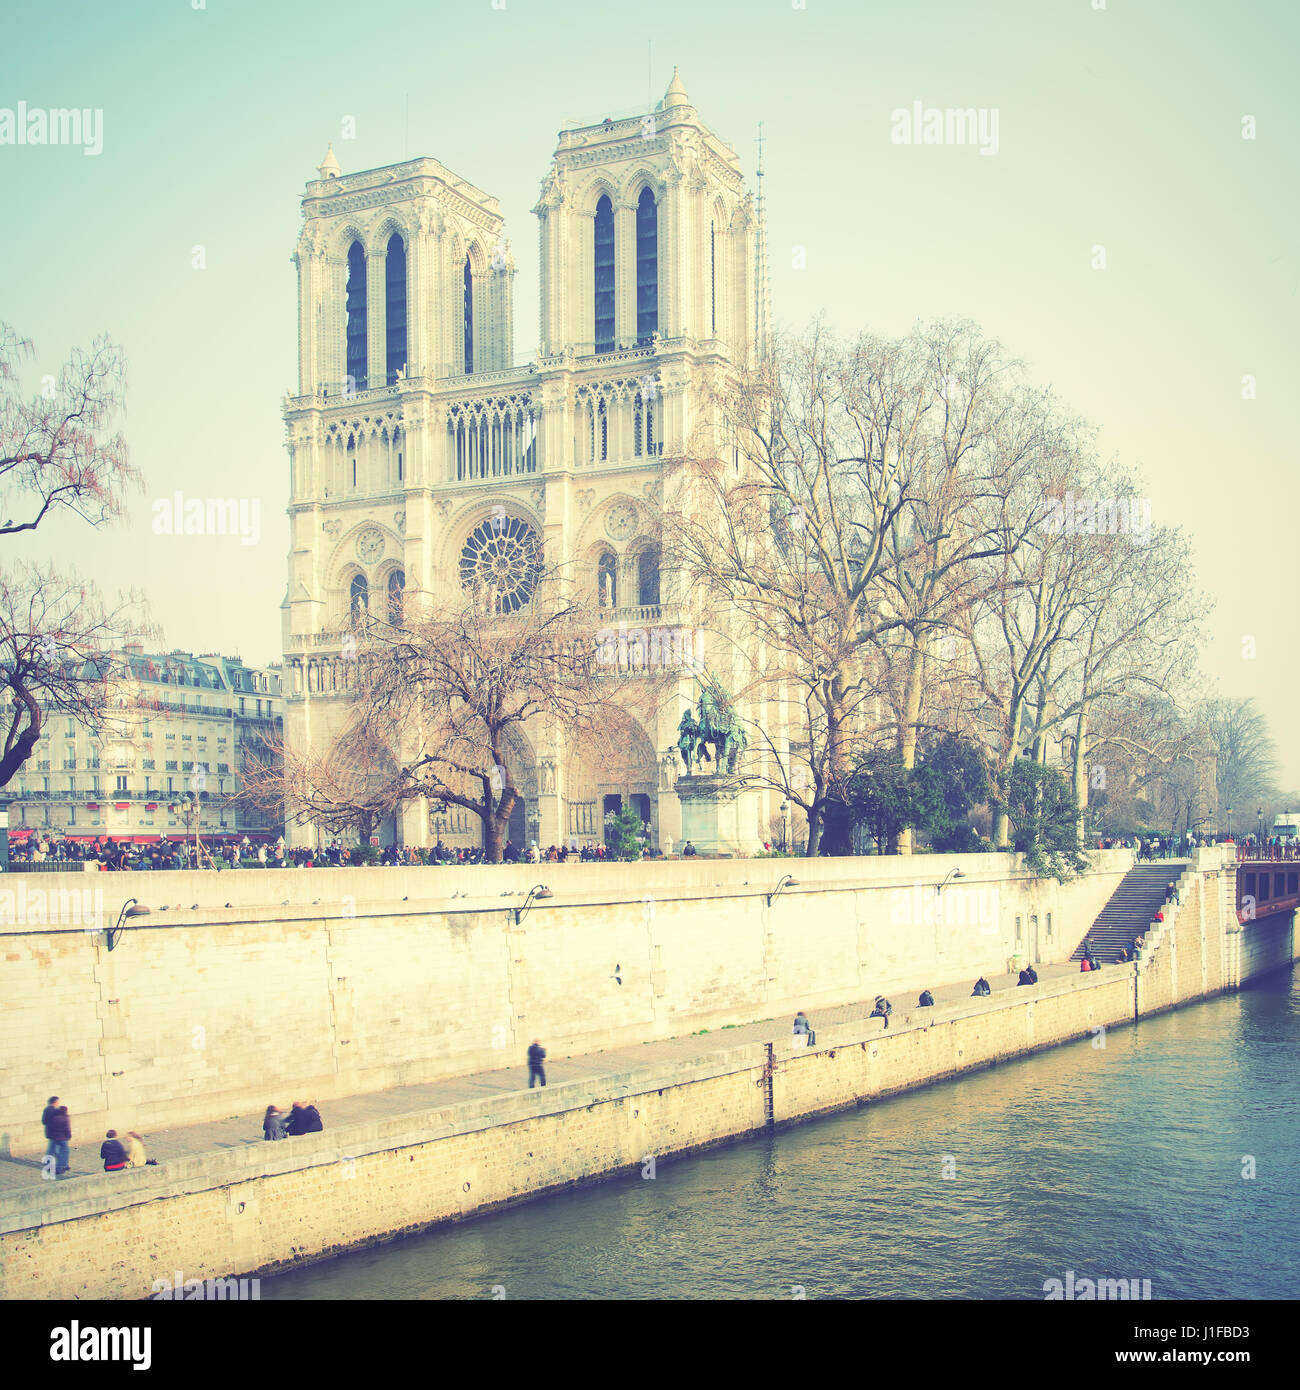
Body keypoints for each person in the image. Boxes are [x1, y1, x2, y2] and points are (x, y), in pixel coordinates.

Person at [42, 1097, 71, 1177]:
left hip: (51, 1133)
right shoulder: (55, 1111)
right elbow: (65, 1127)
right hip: (57, 1134)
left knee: (52, 1150)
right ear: (55, 1102)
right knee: (60, 1150)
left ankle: (50, 1164)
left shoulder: (46, 1109)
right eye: (57, 1102)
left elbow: (44, 1121)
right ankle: (62, 1165)